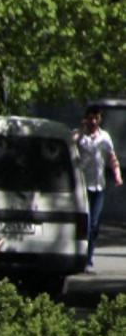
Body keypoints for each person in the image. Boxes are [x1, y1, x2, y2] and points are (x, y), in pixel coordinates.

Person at [74, 107, 121, 268]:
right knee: (85, 224)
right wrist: (82, 129)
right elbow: (72, 142)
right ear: (86, 119)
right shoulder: (80, 135)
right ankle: (81, 257)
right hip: (83, 185)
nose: (93, 122)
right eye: (91, 118)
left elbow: (112, 157)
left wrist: (117, 174)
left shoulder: (104, 137)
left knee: (94, 225)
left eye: (96, 118)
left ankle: (89, 257)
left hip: (99, 186)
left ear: (100, 119)